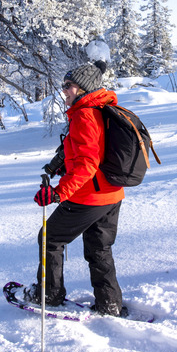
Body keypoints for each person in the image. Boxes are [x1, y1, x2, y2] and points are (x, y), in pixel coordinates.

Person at [27, 60, 126, 317]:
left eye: (68, 85)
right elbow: (88, 153)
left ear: (82, 87)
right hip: (111, 194)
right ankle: (109, 303)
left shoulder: (84, 114)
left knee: (49, 238)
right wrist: (60, 166)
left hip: (89, 196)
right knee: (98, 248)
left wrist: (59, 192)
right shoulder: (100, 108)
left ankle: (49, 294)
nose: (64, 90)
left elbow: (87, 163)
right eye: (64, 85)